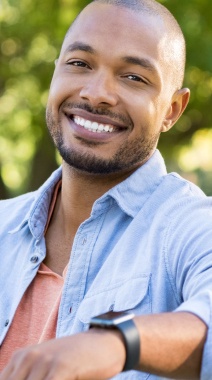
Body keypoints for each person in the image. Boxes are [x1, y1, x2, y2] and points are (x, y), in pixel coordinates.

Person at [0, 0, 212, 379]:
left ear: (172, 110)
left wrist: (118, 343)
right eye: (80, 64)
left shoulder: (191, 228)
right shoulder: (3, 226)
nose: (97, 94)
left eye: (134, 77)